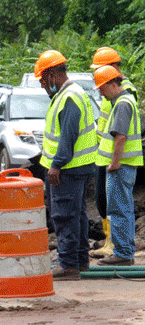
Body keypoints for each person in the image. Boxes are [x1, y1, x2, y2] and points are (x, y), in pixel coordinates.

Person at [34, 50, 97, 280]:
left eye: (42, 80)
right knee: (77, 214)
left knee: (64, 216)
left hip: (68, 169)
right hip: (79, 167)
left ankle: (69, 265)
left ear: (52, 75)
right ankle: (80, 261)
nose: (42, 86)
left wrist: (56, 166)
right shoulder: (72, 94)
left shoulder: (69, 98)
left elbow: (67, 138)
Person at [88, 47, 138, 258]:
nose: (101, 92)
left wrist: (115, 162)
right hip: (108, 156)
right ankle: (118, 247)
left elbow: (121, 135)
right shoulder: (117, 96)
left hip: (119, 161)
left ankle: (122, 250)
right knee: (111, 205)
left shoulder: (123, 98)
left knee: (118, 208)